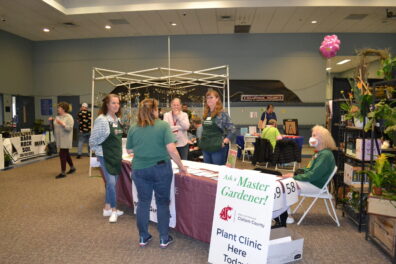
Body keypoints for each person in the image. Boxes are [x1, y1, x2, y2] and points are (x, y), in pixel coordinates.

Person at [126, 98, 187, 249]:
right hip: (160, 169)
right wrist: (181, 166)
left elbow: (129, 150)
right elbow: (172, 149)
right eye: (158, 108)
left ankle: (143, 236)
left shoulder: (134, 127)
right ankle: (164, 238)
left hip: (140, 170)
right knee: (162, 203)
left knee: (143, 203)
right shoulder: (163, 126)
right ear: (154, 110)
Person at [282, 125, 336, 223]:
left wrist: (294, 176)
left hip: (315, 185)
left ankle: (287, 215)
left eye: (314, 135)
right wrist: (295, 173)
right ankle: (285, 212)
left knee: (287, 184)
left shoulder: (324, 155)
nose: (311, 138)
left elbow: (312, 175)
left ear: (322, 139)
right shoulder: (321, 153)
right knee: (287, 182)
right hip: (314, 183)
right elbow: (309, 170)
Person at [89, 94, 124, 223]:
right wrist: (98, 153)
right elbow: (92, 140)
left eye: (118, 103)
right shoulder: (102, 120)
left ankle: (107, 207)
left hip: (115, 155)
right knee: (111, 183)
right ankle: (114, 210)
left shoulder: (117, 119)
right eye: (113, 103)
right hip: (105, 156)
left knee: (112, 183)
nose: (116, 105)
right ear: (107, 105)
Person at [200, 90, 236, 165]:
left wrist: (224, 141)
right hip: (206, 146)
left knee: (218, 171)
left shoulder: (222, 114)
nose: (209, 100)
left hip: (217, 147)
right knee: (208, 171)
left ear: (217, 99)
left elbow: (232, 129)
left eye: (211, 97)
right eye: (207, 98)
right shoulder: (206, 114)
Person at [49, 102, 76, 179]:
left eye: (59, 108)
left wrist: (62, 123)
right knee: (66, 154)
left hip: (65, 139)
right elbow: (54, 126)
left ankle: (63, 172)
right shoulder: (58, 117)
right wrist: (52, 121)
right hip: (59, 139)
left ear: (63, 109)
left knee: (62, 154)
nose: (58, 109)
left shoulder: (69, 117)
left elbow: (69, 128)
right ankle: (72, 168)